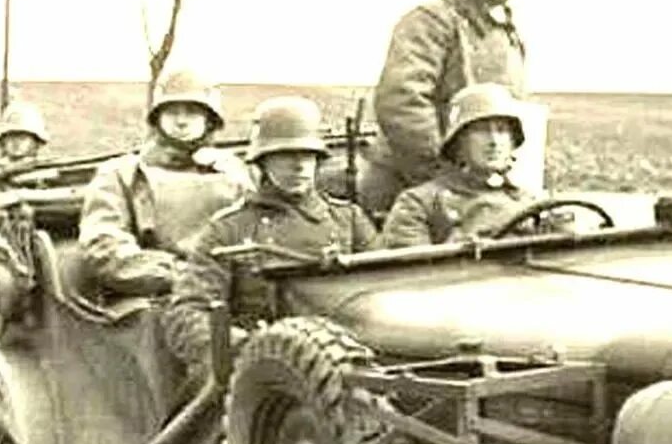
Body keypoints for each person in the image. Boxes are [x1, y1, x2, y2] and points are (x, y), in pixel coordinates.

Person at [163, 96, 376, 382]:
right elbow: (187, 316)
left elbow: (384, 295)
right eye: (286, 155)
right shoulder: (228, 229)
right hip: (263, 376)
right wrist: (251, 347)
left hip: (354, 364)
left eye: (307, 155)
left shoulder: (348, 220)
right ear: (263, 161)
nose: (299, 165)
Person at [357, 0, 538, 215]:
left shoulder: (508, 35)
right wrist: (440, 174)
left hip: (474, 185)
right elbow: (402, 102)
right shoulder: (431, 21)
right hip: (409, 183)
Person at [75, 68, 252, 301]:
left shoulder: (234, 172)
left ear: (209, 120)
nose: (181, 121)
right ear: (157, 118)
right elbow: (104, 245)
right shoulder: (121, 173)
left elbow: (260, 232)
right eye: (172, 112)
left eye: (192, 112)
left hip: (234, 290)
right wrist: (178, 274)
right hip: (157, 296)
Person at [378, 82, 542, 247]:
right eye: (481, 130)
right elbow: (408, 268)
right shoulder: (418, 204)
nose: (494, 141)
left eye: (501, 130)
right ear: (458, 143)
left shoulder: (529, 202)